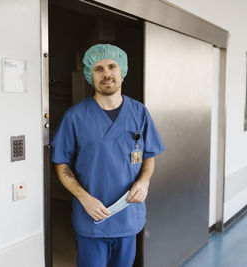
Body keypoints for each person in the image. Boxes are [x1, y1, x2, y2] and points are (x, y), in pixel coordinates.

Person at [51, 43, 165, 267]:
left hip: (128, 216)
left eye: (112, 66)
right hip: (92, 218)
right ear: (89, 75)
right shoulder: (75, 117)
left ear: (121, 70)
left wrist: (144, 181)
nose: (106, 74)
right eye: (98, 69)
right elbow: (61, 164)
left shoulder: (139, 112)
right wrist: (85, 198)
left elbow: (149, 154)